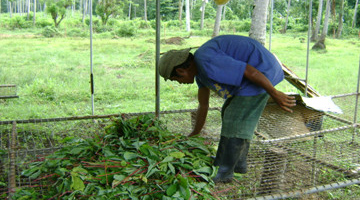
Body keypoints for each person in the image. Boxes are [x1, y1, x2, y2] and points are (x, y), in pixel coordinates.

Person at [158, 35, 296, 183]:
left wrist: (275, 94)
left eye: (176, 80)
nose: (179, 83)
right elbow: (203, 105)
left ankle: (224, 172)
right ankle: (234, 163)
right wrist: (195, 133)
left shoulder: (206, 60)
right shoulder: (201, 74)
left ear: (180, 71)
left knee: (234, 117)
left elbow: (250, 71)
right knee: (228, 110)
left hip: (262, 72)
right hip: (253, 76)